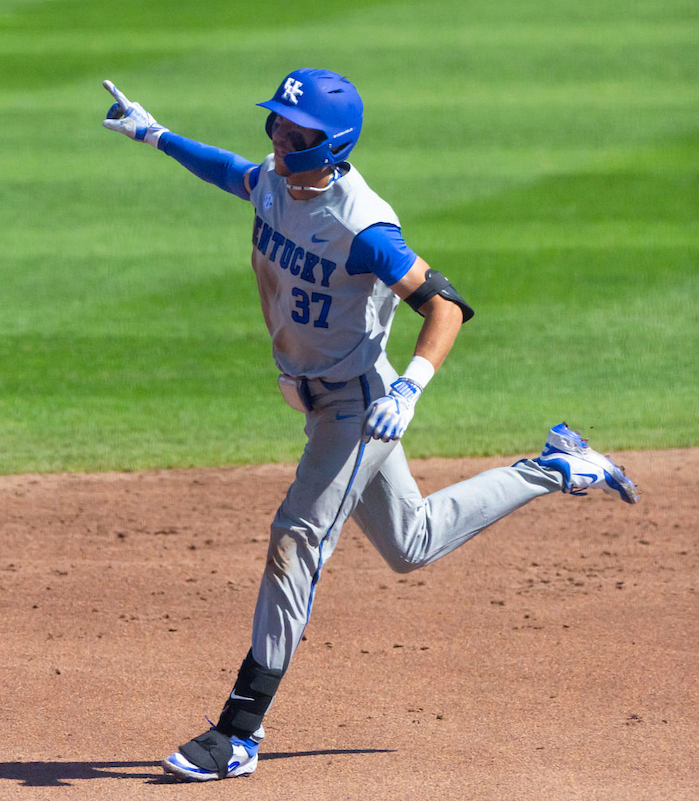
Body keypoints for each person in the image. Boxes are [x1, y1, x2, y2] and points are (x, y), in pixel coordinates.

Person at [100, 69, 639, 783]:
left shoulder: (363, 223)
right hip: (322, 397)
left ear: (334, 145)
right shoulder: (274, 180)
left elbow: (445, 304)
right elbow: (229, 171)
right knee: (411, 542)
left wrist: (410, 388)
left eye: (296, 136)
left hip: (360, 407)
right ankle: (558, 465)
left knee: (297, 536)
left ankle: (237, 731)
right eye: (276, 127)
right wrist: (155, 133)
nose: (278, 141)